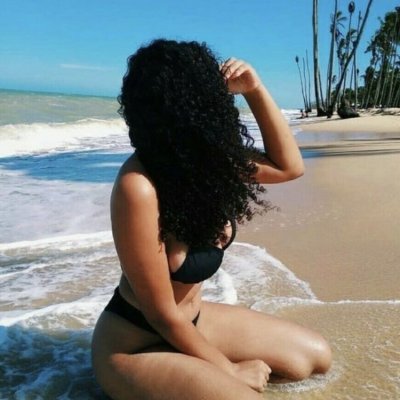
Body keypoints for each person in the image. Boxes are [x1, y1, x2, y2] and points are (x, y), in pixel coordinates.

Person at [91, 39, 331, 400]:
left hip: (193, 324)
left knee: (314, 357)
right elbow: (160, 313)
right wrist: (228, 369)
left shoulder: (207, 164)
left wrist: (254, 89)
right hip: (136, 345)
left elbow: (289, 167)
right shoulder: (137, 186)